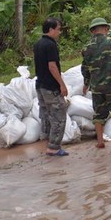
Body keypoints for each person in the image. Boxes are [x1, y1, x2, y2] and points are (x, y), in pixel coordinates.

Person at [81, 18, 111, 149]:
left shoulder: (87, 47)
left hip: (97, 87)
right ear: (106, 29)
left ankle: (100, 141)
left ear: (93, 31)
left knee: (99, 113)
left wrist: (86, 84)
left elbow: (85, 68)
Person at [33, 17, 69, 156]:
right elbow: (52, 66)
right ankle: (53, 147)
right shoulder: (50, 45)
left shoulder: (38, 44)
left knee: (46, 115)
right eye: (58, 29)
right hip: (50, 87)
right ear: (51, 29)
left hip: (40, 86)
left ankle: (46, 141)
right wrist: (62, 85)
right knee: (59, 116)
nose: (59, 32)